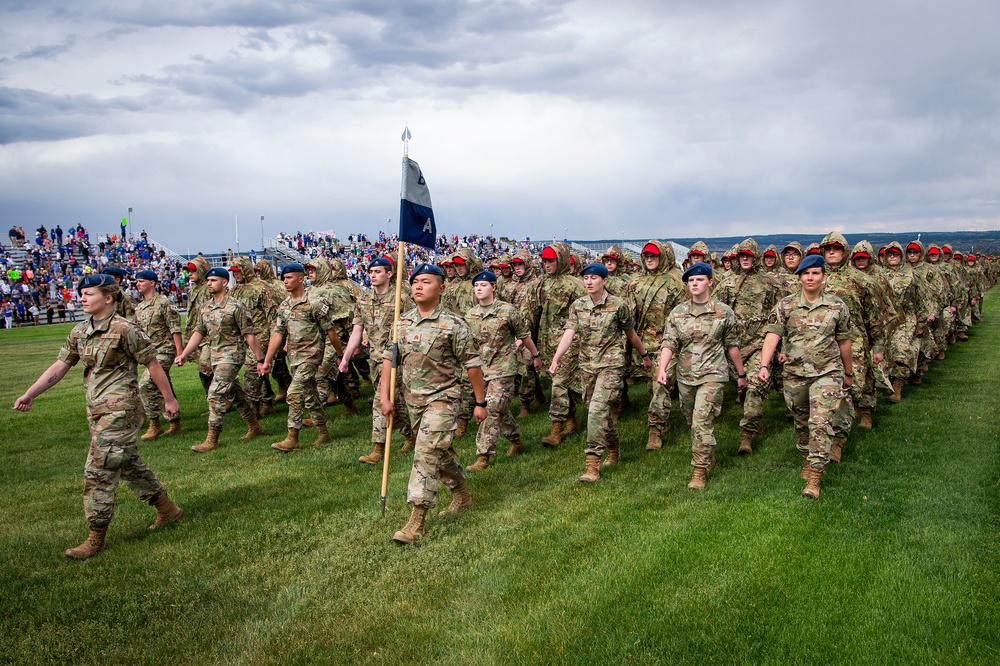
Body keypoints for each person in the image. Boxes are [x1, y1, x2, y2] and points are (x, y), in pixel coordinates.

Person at [13, 274, 183, 560]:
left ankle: (96, 536)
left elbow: (152, 364)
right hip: (96, 411)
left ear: (108, 297)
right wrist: (31, 393)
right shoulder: (80, 331)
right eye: (81, 293)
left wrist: (169, 399)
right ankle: (168, 510)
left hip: (122, 411)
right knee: (126, 462)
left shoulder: (126, 329)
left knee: (99, 469)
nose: (82, 298)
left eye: (88, 293)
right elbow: (61, 365)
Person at [382, 263, 487, 545]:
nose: (418, 286)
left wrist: (480, 402)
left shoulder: (454, 324)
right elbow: (389, 361)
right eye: (415, 281)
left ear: (441, 288)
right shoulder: (400, 323)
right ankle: (462, 495)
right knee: (439, 453)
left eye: (426, 282)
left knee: (425, 453)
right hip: (413, 401)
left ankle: (416, 521)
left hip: (444, 399)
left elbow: (472, 364)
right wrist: (384, 397)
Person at [757, 255, 853, 499]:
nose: (810, 278)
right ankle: (806, 458)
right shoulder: (785, 306)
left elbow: (844, 341)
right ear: (799, 277)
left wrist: (848, 372)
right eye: (806, 273)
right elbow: (772, 336)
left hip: (827, 372)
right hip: (795, 374)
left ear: (823, 277)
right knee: (801, 422)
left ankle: (815, 477)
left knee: (819, 422)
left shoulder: (837, 306)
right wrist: (764, 365)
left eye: (816, 273)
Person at [549, 263, 650, 483]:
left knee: (596, 411)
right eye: (586, 278)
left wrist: (644, 355)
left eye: (594, 278)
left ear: (604, 280)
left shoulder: (618, 305)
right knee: (597, 411)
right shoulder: (578, 306)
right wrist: (556, 358)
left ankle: (592, 464)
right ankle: (614, 447)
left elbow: (631, 334)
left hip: (611, 365)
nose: (588, 281)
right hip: (587, 365)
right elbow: (569, 333)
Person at [656, 262, 746, 489]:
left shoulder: (723, 312)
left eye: (699, 280)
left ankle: (699, 471)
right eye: (691, 281)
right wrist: (662, 369)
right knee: (691, 419)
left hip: (713, 374)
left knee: (701, 422)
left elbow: (732, 345)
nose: (694, 284)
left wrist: (741, 374)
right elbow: (669, 343)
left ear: (710, 282)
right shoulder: (678, 313)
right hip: (686, 375)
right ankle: (708, 455)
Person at [175, 267, 265, 452]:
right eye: (208, 280)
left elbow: (249, 335)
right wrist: (184, 354)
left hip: (232, 355)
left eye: (213, 280)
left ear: (224, 283)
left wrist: (260, 359)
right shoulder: (206, 307)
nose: (209, 283)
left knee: (215, 394)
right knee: (235, 393)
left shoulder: (235, 306)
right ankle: (254, 426)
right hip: (215, 355)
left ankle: (212, 439)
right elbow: (199, 333)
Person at [339, 256, 416, 465]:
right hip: (375, 360)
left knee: (380, 401)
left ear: (389, 274)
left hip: (396, 359)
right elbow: (357, 331)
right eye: (371, 272)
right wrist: (346, 357)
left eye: (378, 272)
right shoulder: (364, 300)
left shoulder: (401, 298)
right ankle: (411, 435)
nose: (373, 275)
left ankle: (378, 449)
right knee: (394, 401)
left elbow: (412, 327)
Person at [464, 270, 541, 472]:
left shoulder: (508, 311)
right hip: (482, 370)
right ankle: (516, 441)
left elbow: (524, 335)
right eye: (476, 286)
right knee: (501, 410)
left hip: (504, 369)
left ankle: (483, 456)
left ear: (494, 287)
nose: (479, 289)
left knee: (491, 409)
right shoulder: (470, 315)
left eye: (484, 285)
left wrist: (535, 355)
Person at [260, 263, 343, 451]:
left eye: (289, 277)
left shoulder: (314, 303)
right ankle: (323, 432)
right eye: (283, 278)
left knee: (294, 392)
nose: (285, 281)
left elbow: (330, 331)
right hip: (294, 358)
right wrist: (267, 360)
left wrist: (340, 355)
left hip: (312, 357)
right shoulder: (285, 306)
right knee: (310, 395)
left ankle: (292, 438)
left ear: (300, 278)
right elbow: (278, 334)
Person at [714, 238, 779, 454]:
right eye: (741, 255)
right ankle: (754, 417)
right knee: (741, 386)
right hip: (733, 347)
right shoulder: (726, 284)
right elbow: (714, 312)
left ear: (755, 257)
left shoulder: (769, 283)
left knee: (754, 386)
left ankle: (747, 435)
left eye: (748, 255)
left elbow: (782, 315)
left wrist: (781, 347)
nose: (744, 259)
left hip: (759, 346)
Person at [624, 240, 684, 451]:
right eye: (647, 256)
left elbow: (682, 317)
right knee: (653, 387)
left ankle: (655, 430)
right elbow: (627, 317)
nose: (649, 259)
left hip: (668, 344)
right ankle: (662, 416)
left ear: (663, 257)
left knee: (660, 384)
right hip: (644, 345)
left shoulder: (675, 283)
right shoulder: (634, 284)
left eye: (654, 256)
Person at [531, 242, 586, 447]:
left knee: (559, 383)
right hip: (547, 343)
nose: (547, 264)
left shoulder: (575, 285)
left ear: (561, 260)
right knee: (564, 383)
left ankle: (556, 427)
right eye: (544, 261)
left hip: (570, 342)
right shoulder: (538, 285)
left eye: (551, 260)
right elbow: (531, 314)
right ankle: (572, 420)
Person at [133, 269, 184, 440]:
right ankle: (174, 423)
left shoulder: (164, 303)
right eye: (137, 281)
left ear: (152, 283)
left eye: (141, 281)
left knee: (146, 384)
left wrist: (179, 352)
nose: (137, 284)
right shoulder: (139, 308)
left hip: (165, 350)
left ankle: (154, 423)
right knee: (164, 384)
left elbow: (175, 329)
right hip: (150, 353)